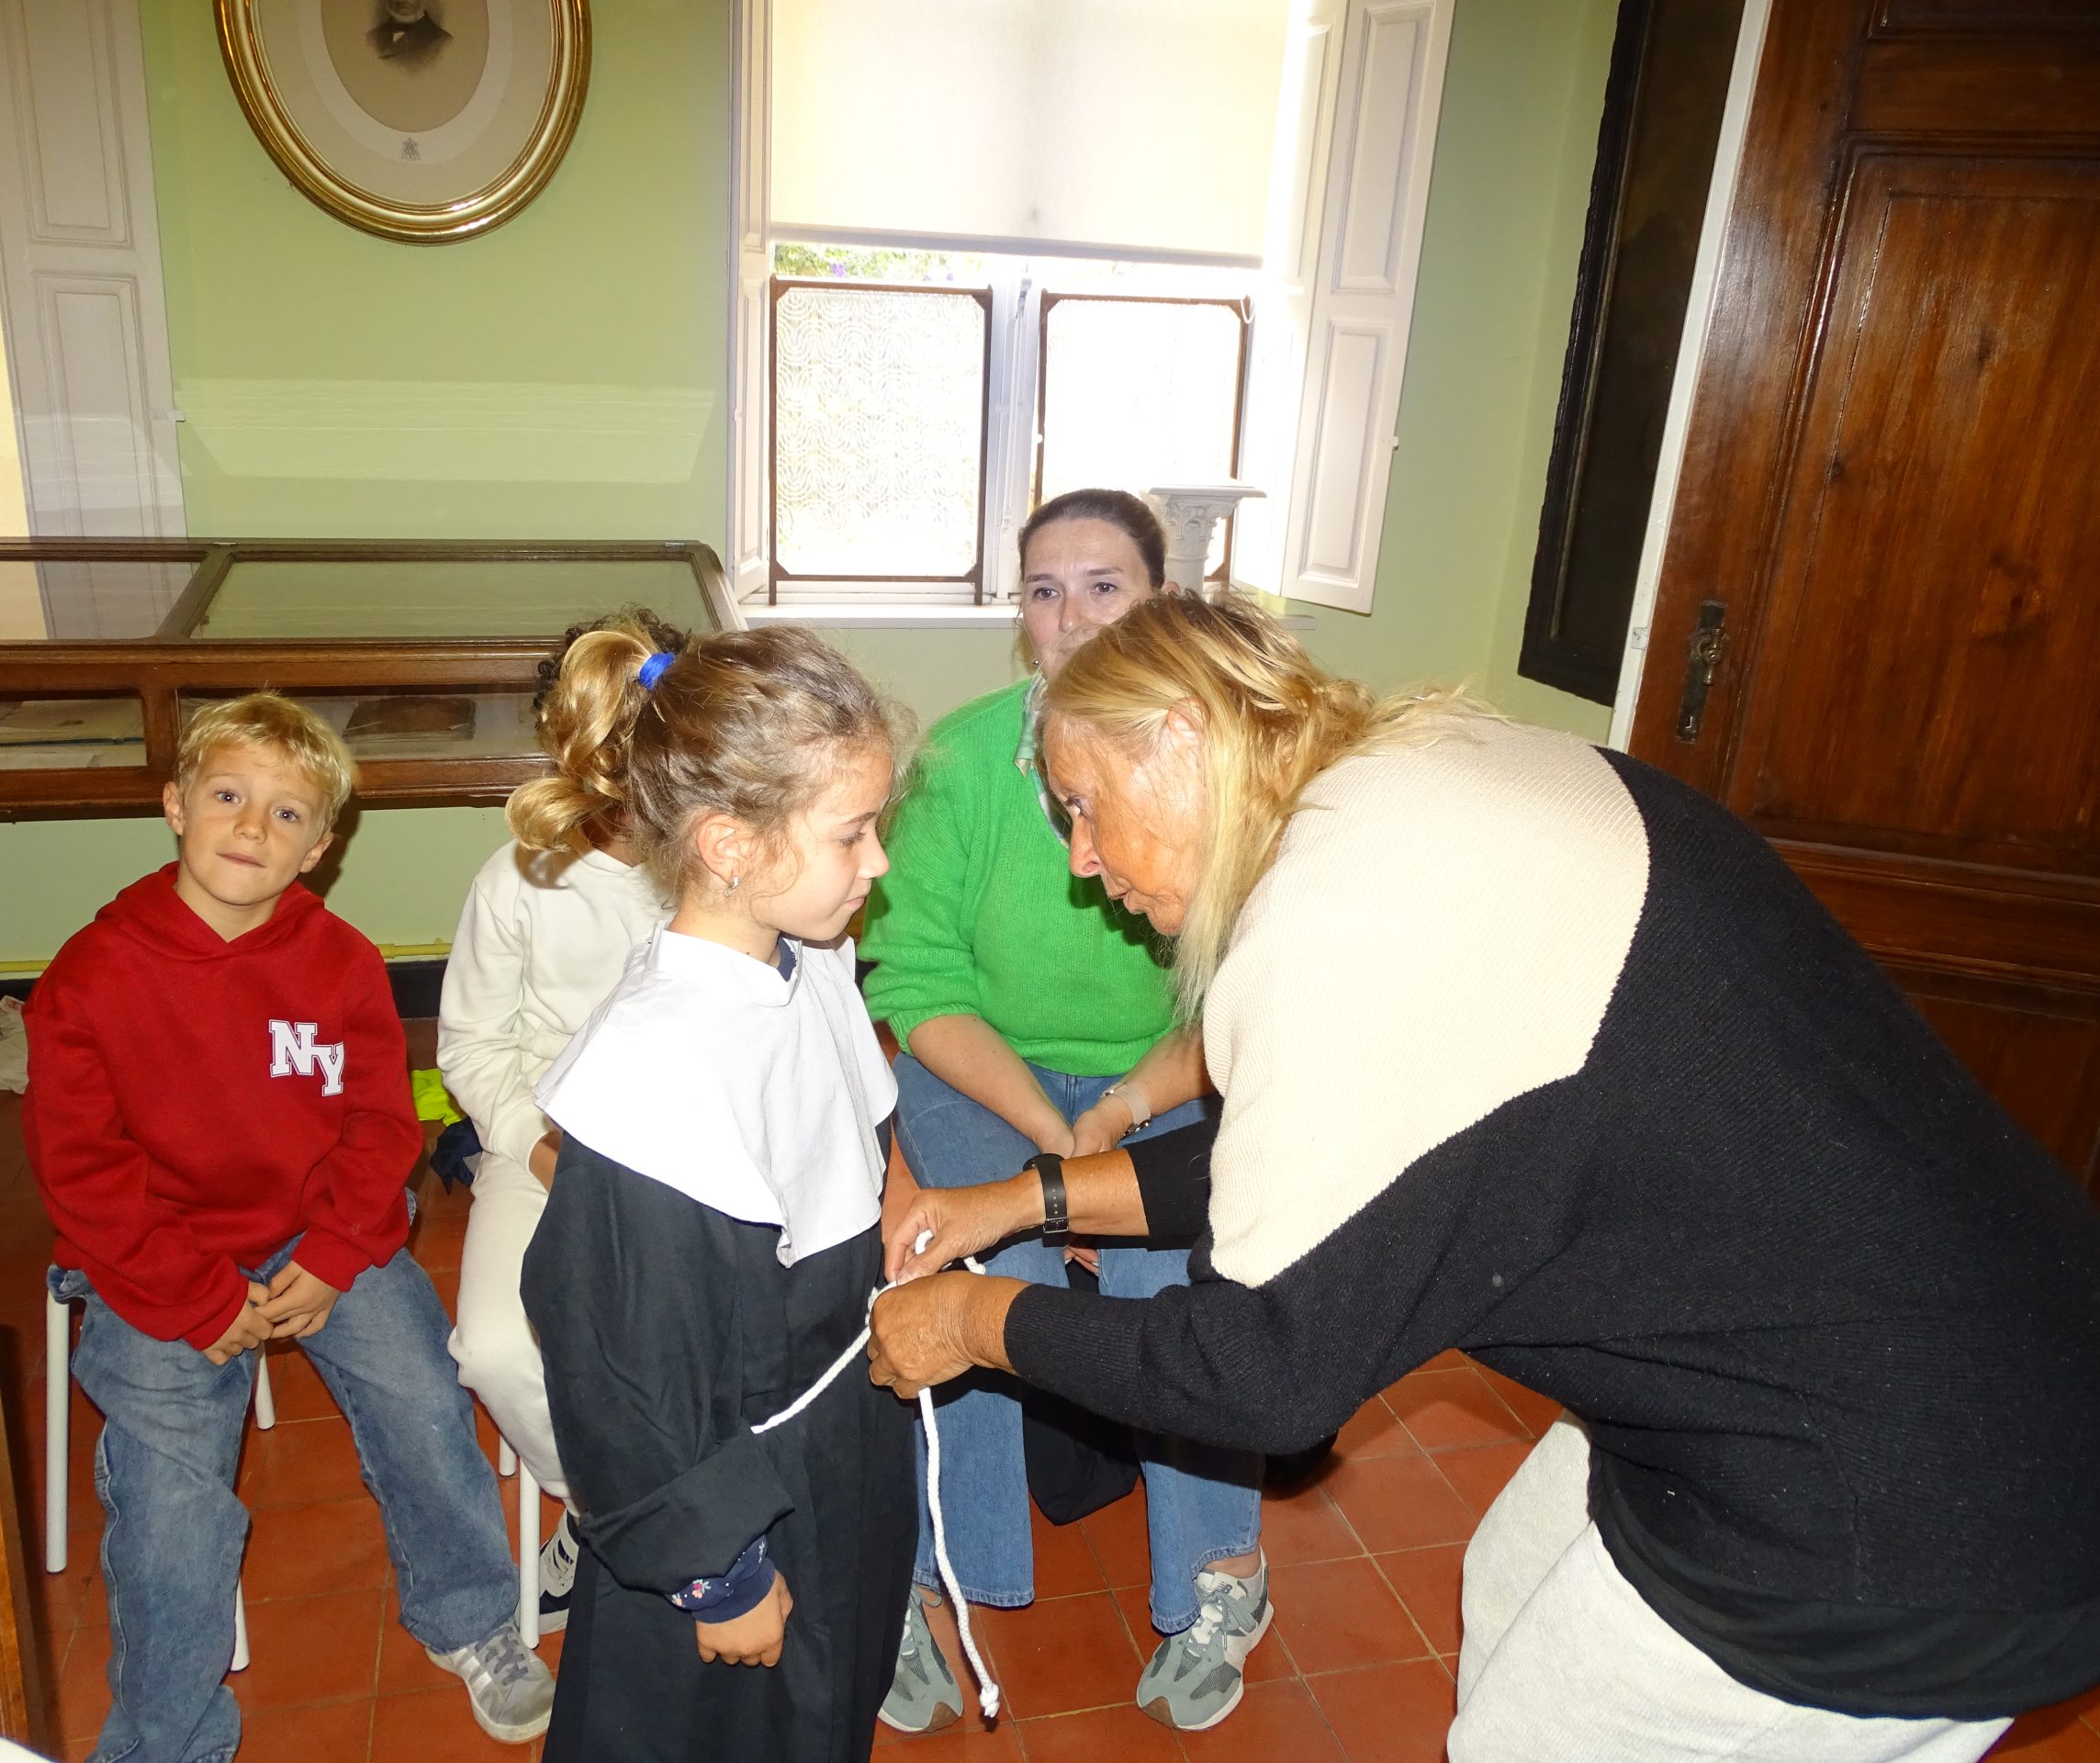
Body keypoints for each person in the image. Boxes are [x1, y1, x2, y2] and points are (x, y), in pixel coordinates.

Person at [868, 593, 2100, 1762]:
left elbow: (1262, 1376)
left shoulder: (1330, 925)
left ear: (1183, 739)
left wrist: (977, 1320)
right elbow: (1348, 1153)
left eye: (1084, 806)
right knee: (1511, 1580)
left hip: (1913, 1512)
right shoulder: (1422, 784)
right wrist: (1030, 1200)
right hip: (1918, 1354)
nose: (1084, 861)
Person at [24, 692, 551, 1763]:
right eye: (228, 796)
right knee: (170, 1501)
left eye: (288, 813)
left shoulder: (341, 961)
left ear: (319, 850)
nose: (252, 828)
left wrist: (332, 1254)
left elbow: (380, 1127)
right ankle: (167, 1739)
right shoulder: (92, 975)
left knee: (421, 1398)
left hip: (320, 1234)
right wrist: (195, 1295)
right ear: (176, 806)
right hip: (156, 1258)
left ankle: (470, 1620)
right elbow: (81, 1171)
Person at [857, 488, 1266, 1734]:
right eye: (1044, 591)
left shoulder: (1210, 770)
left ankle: (1219, 1575)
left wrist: (1127, 1104)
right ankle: (930, 1580)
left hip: (1167, 1068)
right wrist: (1050, 1138)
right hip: (985, 1066)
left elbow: (1240, 985)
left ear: (1162, 604)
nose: (1072, 617)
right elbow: (916, 976)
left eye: (1104, 587)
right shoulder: (962, 760)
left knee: (1173, 1278)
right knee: (974, 1255)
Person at [517, 623, 915, 1763]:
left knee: (829, 1700)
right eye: (851, 833)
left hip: (836, 1431)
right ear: (730, 845)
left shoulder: (810, 956)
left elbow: (854, 1124)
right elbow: (621, 1375)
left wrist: (898, 1208)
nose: (878, 863)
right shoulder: (657, 1071)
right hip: (735, 1501)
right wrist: (719, 1572)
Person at [438, 610, 679, 1634]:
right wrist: (541, 1148)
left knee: (697, 1332)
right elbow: (472, 1048)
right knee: (495, 1346)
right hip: (548, 1141)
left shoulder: (727, 859)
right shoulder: (519, 879)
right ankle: (605, 1507)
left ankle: (710, 1509)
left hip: (693, 1148)